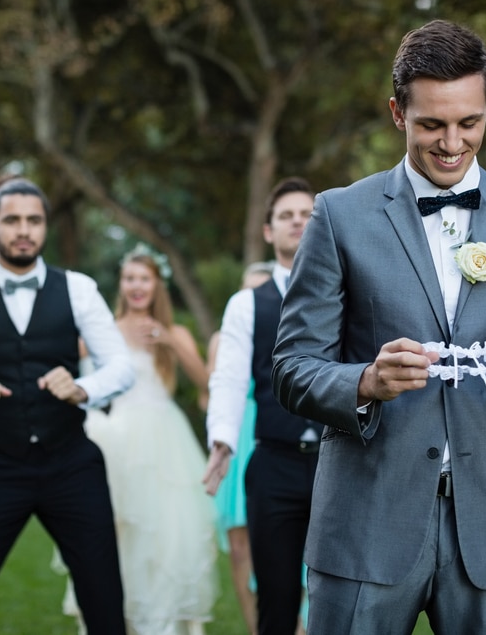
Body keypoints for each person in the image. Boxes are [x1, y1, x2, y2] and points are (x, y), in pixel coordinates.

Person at [271, 19, 486, 634]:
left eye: (469, 122)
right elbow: (292, 367)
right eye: (431, 124)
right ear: (397, 112)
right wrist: (365, 382)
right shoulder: (338, 215)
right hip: (366, 524)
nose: (452, 143)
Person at [0, 173, 135, 635]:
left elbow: (121, 367)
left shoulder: (77, 289)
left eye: (34, 220)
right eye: (11, 220)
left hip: (73, 465)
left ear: (45, 228)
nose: (23, 230)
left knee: (105, 605)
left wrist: (83, 388)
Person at [64, 243, 219, 635]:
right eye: (130, 278)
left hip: (165, 443)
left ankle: (161, 623)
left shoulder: (174, 332)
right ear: (121, 284)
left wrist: (168, 341)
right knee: (115, 534)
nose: (136, 286)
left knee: (165, 536)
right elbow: (74, 373)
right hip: (115, 441)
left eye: (144, 279)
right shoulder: (103, 332)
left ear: (156, 285)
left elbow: (205, 383)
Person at [203, 177, 319, 635]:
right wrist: (222, 441)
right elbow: (228, 379)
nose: (297, 222)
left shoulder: (352, 292)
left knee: (346, 597)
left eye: (306, 214)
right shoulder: (246, 305)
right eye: (285, 215)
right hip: (273, 465)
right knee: (276, 596)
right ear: (269, 231)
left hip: (343, 464)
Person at [204, 261, 273, 635]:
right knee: (241, 545)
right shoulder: (223, 339)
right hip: (239, 438)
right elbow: (213, 392)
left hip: (274, 437)